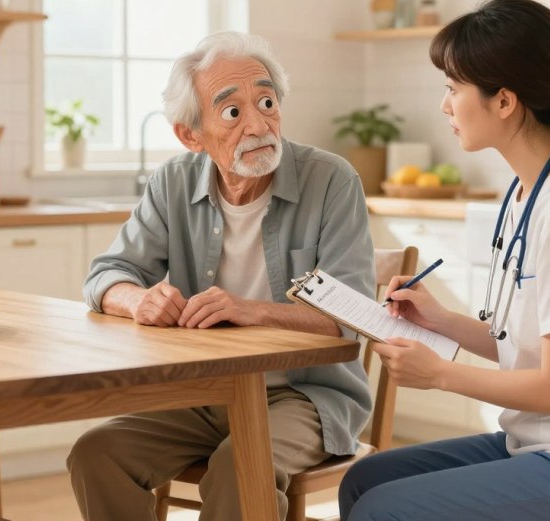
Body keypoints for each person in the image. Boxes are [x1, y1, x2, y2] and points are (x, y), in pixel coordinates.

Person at [339, 0, 550, 521]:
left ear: (504, 101)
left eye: (453, 89)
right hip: (543, 444)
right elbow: (526, 349)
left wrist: (438, 374)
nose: (445, 106)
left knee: (385, 508)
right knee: (365, 480)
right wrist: (441, 321)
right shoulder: (527, 193)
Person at [67, 31, 375, 521]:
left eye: (267, 101)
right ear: (192, 135)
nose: (257, 124)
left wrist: (250, 311)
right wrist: (136, 300)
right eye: (232, 112)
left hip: (307, 396)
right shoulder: (173, 181)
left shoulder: (332, 180)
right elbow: (108, 274)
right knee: (95, 454)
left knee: (240, 463)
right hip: (204, 391)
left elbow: (354, 314)